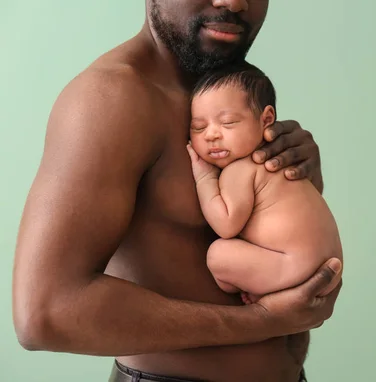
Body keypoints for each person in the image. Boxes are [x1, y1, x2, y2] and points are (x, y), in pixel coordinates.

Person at [11, 1, 343, 381]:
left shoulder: (228, 86)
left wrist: (301, 181)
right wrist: (262, 321)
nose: (234, 2)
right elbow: (45, 314)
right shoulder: (112, 98)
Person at [186, 62, 344, 305]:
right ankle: (267, 285)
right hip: (327, 266)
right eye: (198, 127)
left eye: (228, 123)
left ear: (266, 119)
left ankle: (267, 287)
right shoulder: (280, 162)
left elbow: (226, 225)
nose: (211, 135)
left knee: (218, 255)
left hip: (296, 267)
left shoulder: (241, 169)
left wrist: (205, 177)